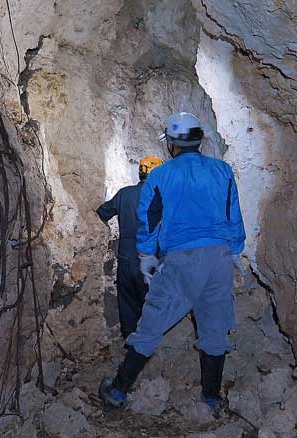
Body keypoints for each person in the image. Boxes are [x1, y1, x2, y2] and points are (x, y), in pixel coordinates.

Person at [99, 112, 247, 412]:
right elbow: (234, 215)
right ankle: (211, 398)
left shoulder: (161, 175)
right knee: (214, 328)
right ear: (200, 140)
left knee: (151, 322)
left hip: (182, 259)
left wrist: (146, 257)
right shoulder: (222, 170)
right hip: (218, 258)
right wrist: (235, 250)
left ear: (171, 144)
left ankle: (118, 391)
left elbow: (149, 220)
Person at [96, 156, 164, 340]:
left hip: (126, 256)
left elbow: (103, 212)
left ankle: (129, 337)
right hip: (150, 258)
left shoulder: (124, 194)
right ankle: (147, 339)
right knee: (150, 298)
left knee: (126, 298)